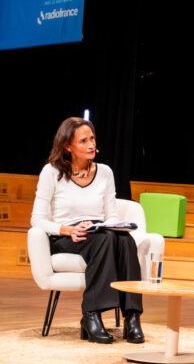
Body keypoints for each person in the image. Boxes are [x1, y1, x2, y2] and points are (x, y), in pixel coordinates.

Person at [31, 117, 144, 344]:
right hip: (66, 235)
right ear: (68, 146)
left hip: (98, 230)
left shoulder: (105, 172)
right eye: (83, 141)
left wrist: (111, 225)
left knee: (125, 241)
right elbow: (37, 219)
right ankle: (91, 314)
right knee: (106, 241)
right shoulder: (51, 172)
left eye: (92, 138)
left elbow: (111, 213)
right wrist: (66, 229)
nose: (91, 144)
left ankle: (132, 317)